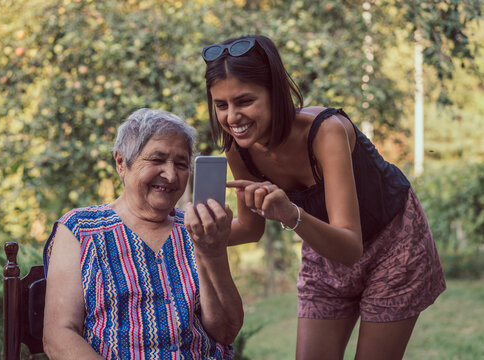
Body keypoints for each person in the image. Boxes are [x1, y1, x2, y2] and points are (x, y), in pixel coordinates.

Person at [200, 34, 446, 360]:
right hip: (323, 248)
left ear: (275, 94)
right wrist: (191, 231)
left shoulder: (325, 131)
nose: (232, 117)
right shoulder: (238, 149)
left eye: (245, 101)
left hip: (394, 242)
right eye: (221, 105)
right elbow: (250, 228)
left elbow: (350, 245)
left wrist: (291, 215)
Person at [42, 108, 243, 359]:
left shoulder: (196, 230)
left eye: (181, 164)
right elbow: (59, 335)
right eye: (157, 160)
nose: (170, 175)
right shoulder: (80, 229)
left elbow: (225, 333)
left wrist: (212, 253)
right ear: (121, 163)